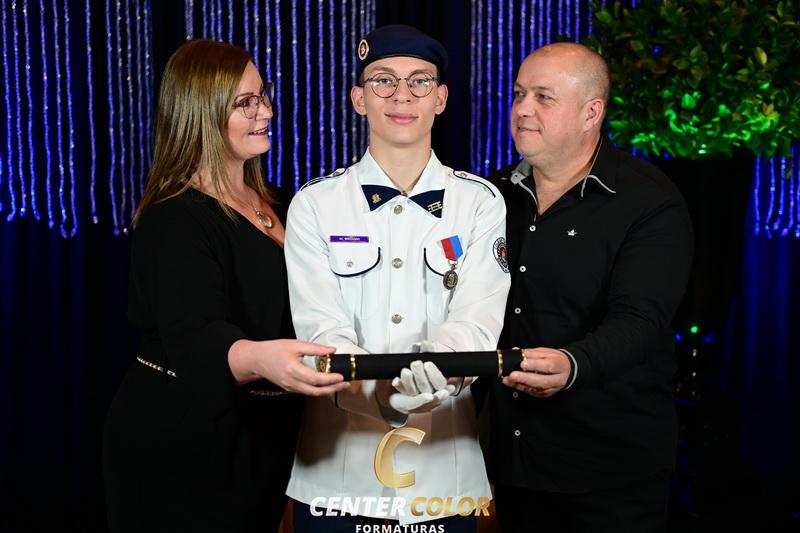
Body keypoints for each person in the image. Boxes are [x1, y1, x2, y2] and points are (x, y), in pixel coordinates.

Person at [103, 39, 348, 533]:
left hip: (264, 437)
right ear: (200, 113)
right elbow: (196, 338)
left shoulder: (283, 203)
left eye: (263, 95)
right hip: (186, 444)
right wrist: (264, 359)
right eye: (245, 103)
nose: (266, 112)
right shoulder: (174, 218)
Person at [284, 25, 511, 532]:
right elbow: (320, 329)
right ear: (359, 99)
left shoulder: (480, 203)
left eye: (420, 81)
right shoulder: (315, 204)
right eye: (383, 80)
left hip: (444, 480)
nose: (402, 95)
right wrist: (381, 394)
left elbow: (478, 320)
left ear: (441, 99)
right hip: (336, 479)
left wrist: (436, 379)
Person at [484, 42, 694, 532]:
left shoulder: (649, 202)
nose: (522, 109)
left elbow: (641, 320)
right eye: (518, 94)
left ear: (591, 112)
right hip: (510, 462)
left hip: (607, 470)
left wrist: (573, 364)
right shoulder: (492, 197)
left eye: (543, 97)